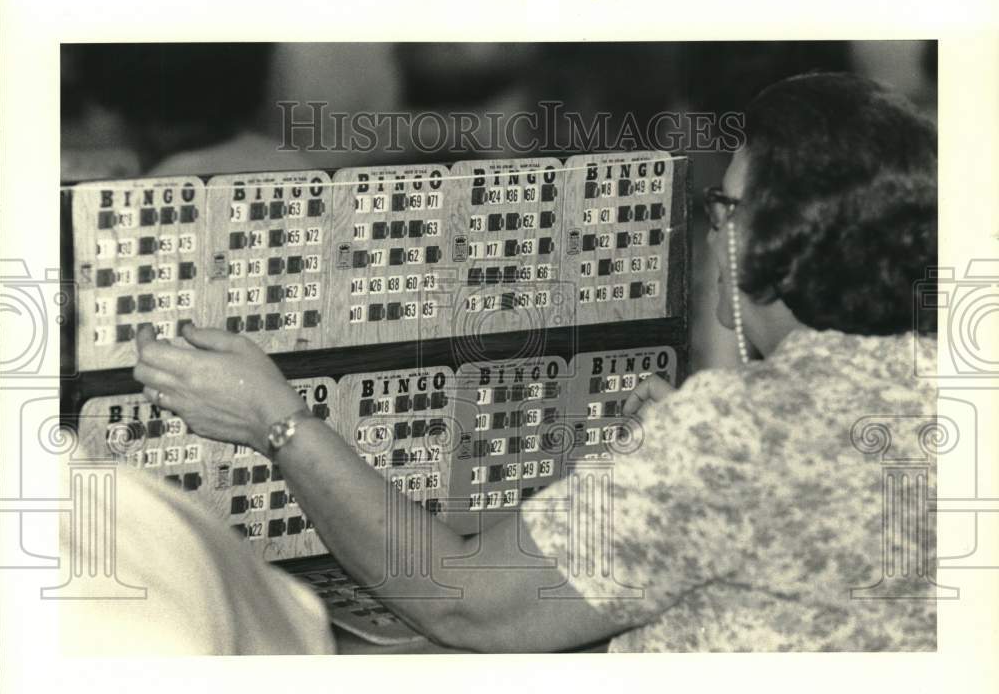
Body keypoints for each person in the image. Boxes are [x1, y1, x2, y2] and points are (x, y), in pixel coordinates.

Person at [132, 72, 939, 652]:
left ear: (769, 235)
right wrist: (677, 462)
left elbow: (466, 604)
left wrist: (278, 422)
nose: (712, 230)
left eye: (724, 204)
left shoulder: (735, 430)